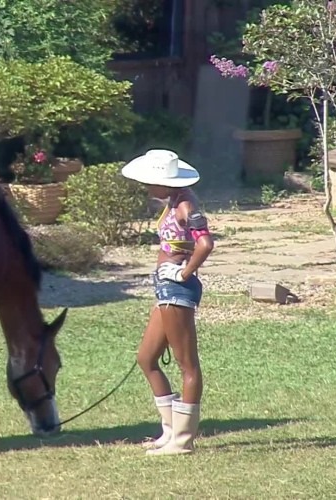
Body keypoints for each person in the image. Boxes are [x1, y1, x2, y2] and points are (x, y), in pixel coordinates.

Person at [120, 149, 214, 456]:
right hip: (165, 289)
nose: (147, 188)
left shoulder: (186, 204)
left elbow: (205, 243)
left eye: (151, 182)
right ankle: (170, 429)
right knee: (147, 358)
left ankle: (183, 441)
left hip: (176, 290)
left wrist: (184, 271)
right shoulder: (173, 201)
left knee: (187, 365)